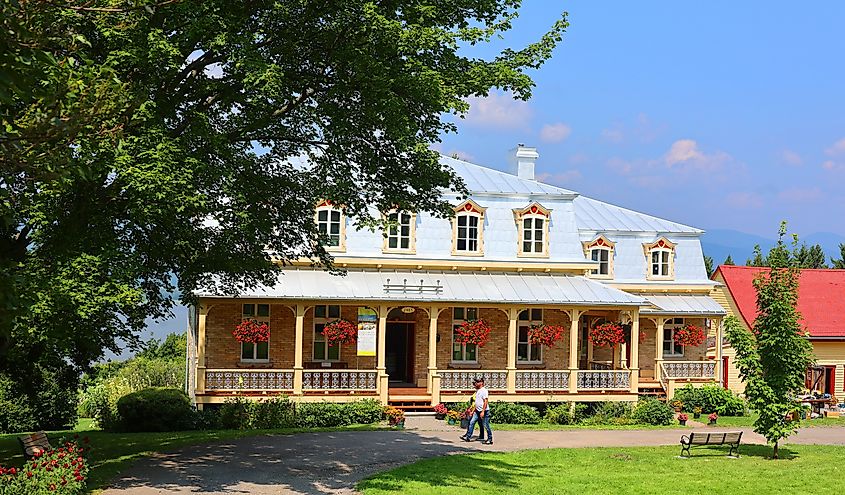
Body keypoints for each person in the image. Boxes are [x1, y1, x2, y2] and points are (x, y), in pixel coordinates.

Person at [460, 376, 492, 444]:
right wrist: (473, 411)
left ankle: (490, 439)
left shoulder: (484, 391)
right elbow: (477, 403)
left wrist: (483, 411)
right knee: (471, 422)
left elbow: (485, 401)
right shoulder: (477, 391)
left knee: (486, 425)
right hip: (477, 411)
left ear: (481, 383)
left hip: (484, 411)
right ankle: (468, 437)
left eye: (477, 382)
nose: (475, 383)